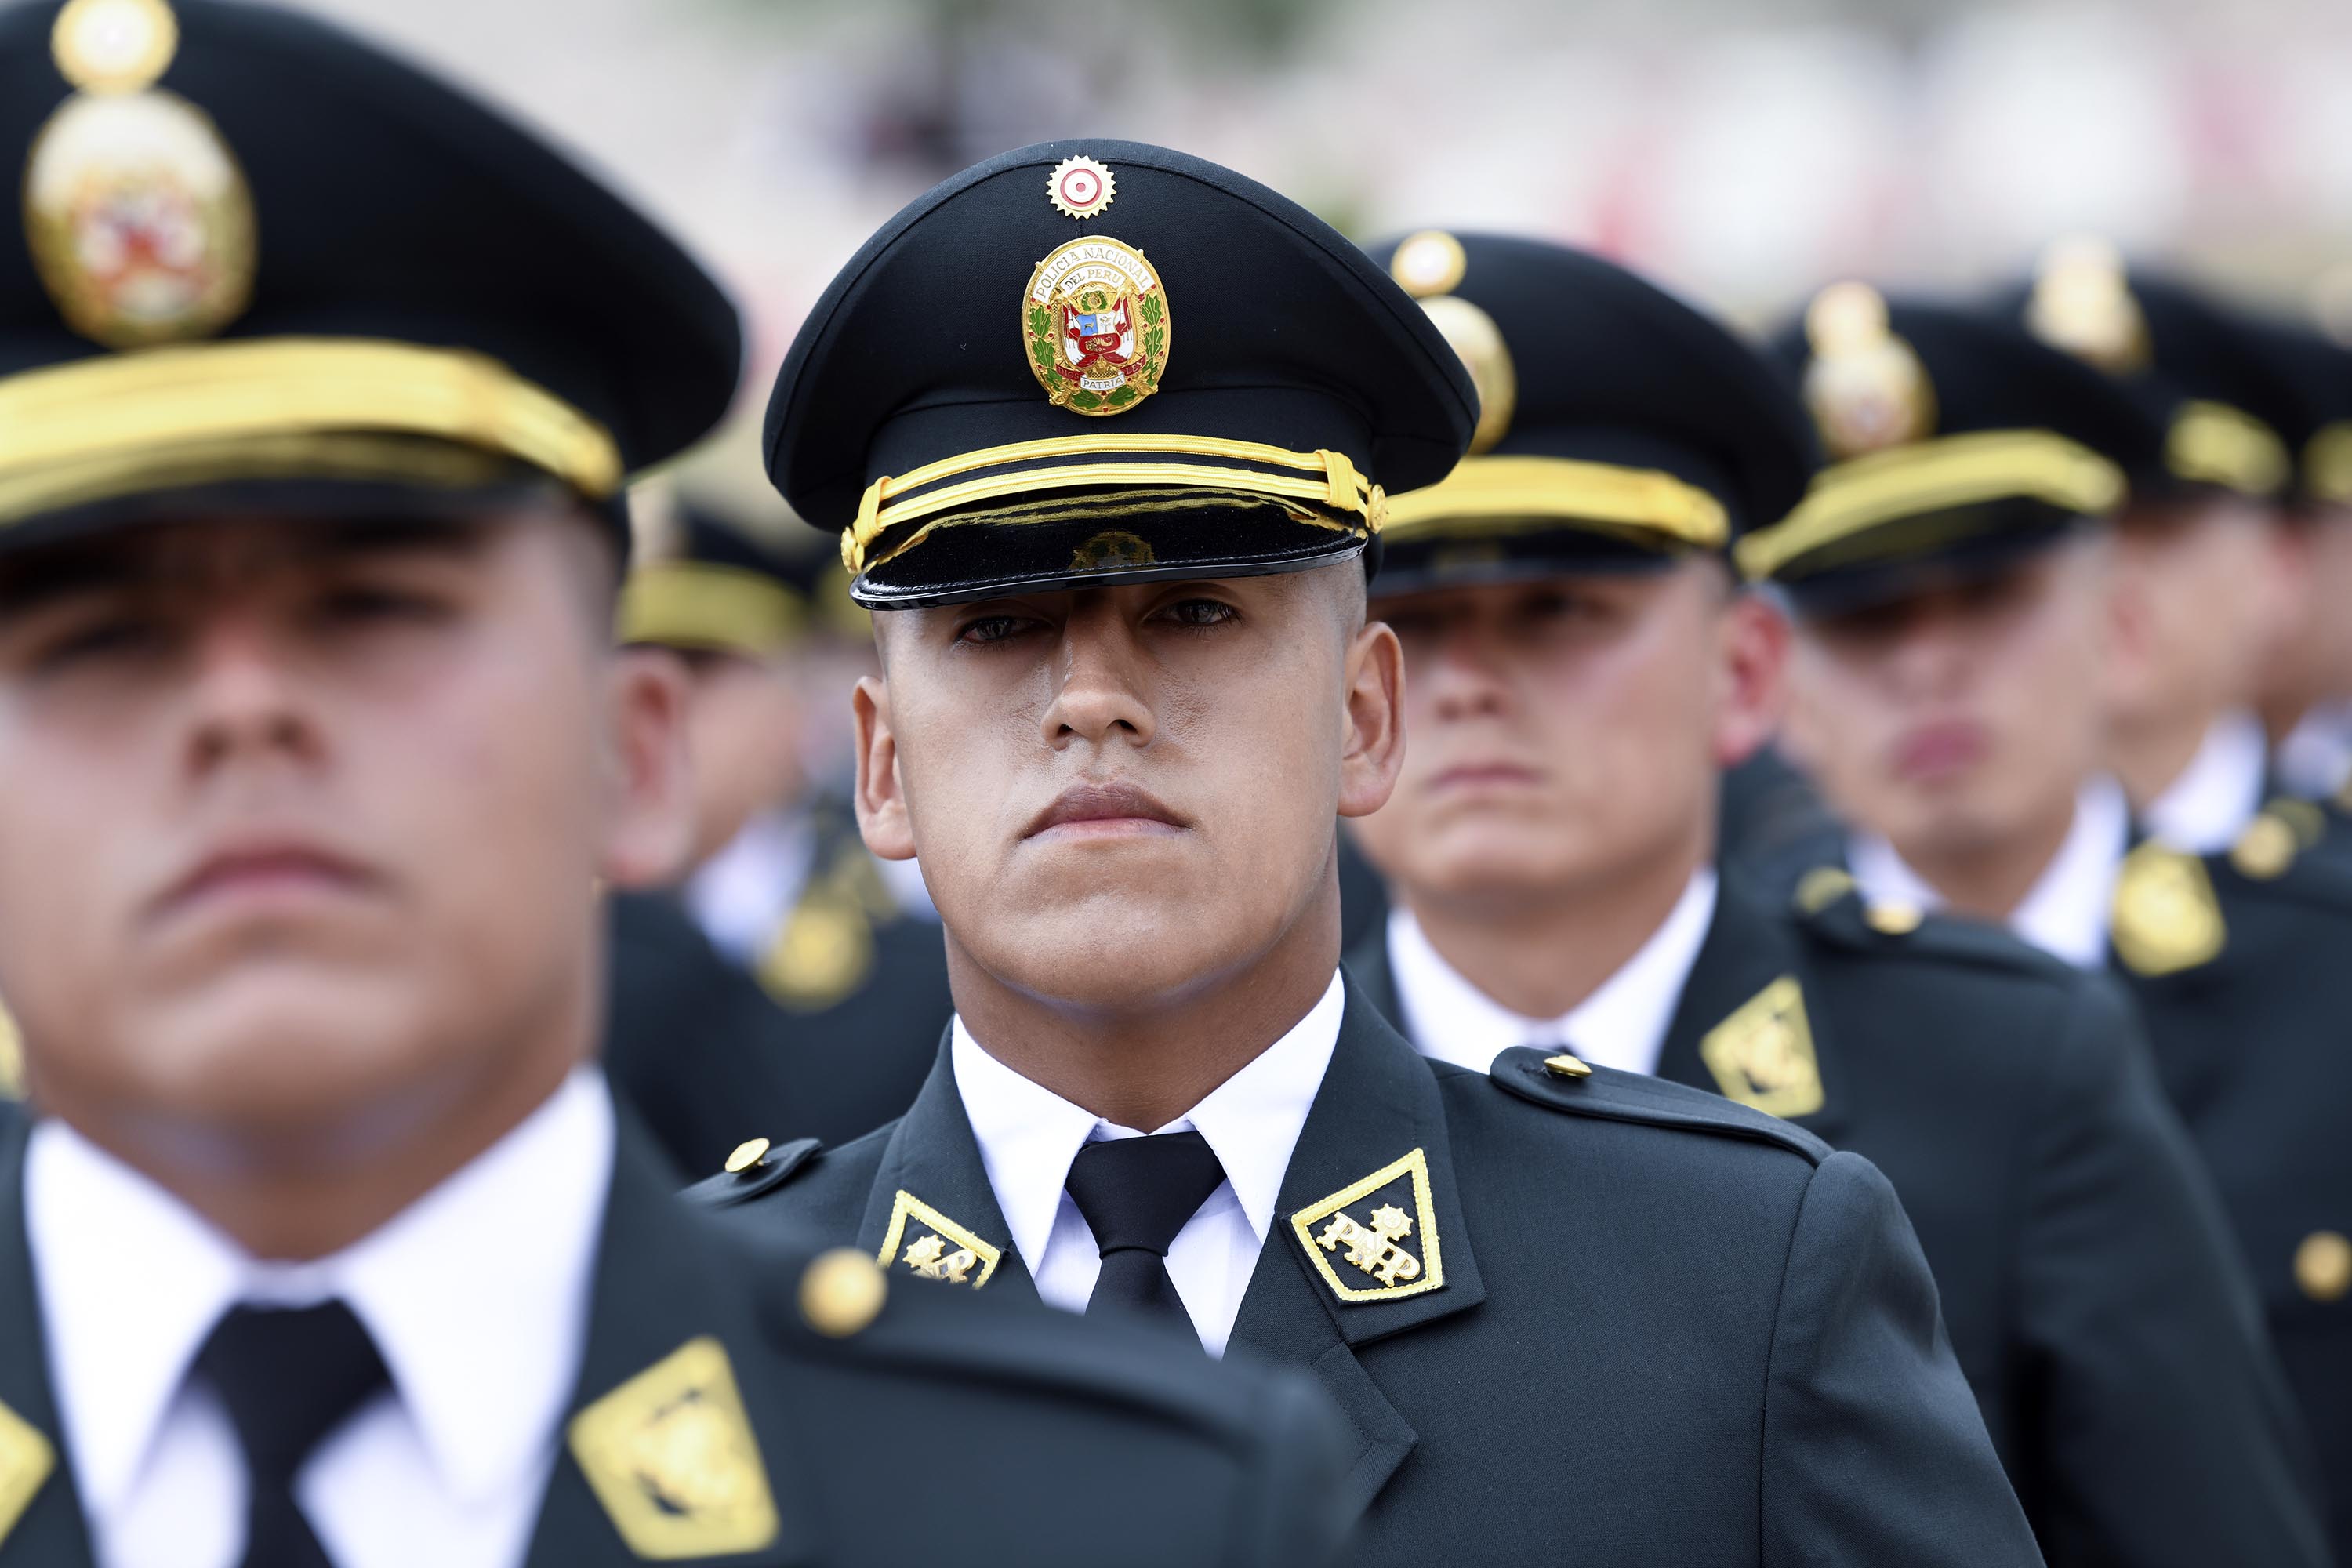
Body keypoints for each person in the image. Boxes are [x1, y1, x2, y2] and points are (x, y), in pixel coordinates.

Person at [0, 3, 1355, 1563]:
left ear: (631, 752)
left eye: (370, 608)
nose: (240, 711)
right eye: (95, 633)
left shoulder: (1123, 1510)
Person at [701, 137, 2045, 1565]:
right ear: (883, 764)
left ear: (1364, 717)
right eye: (996, 626)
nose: (1092, 695)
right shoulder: (688, 1343)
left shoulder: (1734, 1280)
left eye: (1196, 611)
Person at [1335, 233, 2326, 1566]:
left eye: (1558, 610)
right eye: (1410, 623)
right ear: (1345, 698)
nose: (1461, 688)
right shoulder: (1228, 1119)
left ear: (1746, 674)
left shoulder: (2004, 1070)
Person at [1757, 281, 2350, 1559]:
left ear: (2117, 625)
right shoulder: (1700, 1023)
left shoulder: (2330, 967)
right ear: (1779, 686)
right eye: (1861, 619)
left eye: (1989, 597)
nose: (1930, 666)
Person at [605, 503, 949, 1166]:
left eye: (693, 672)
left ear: (793, 709)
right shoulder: (533, 950)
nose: (629, 717)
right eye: (602, 674)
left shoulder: (916, 964)